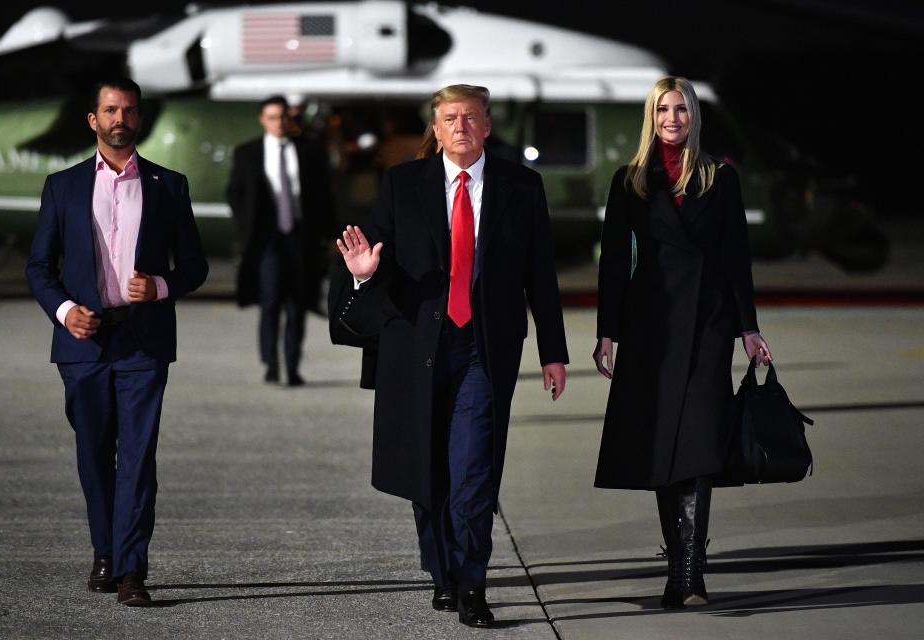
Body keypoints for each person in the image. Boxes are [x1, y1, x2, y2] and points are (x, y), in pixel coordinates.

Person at [334, 84, 569, 627]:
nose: (459, 126)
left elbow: (542, 276)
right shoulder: (401, 185)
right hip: (418, 348)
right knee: (428, 468)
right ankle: (441, 572)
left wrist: (553, 352)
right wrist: (365, 274)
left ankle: (471, 584)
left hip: (483, 348)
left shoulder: (521, 187)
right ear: (435, 129)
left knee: (473, 470)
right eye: (448, 118)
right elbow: (375, 261)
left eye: (470, 117)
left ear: (487, 126)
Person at [25, 78, 208, 606]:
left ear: (140, 119)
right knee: (93, 453)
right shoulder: (62, 186)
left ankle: (131, 570)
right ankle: (103, 552)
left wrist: (161, 286)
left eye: (129, 110)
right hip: (82, 342)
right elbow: (39, 266)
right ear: (93, 120)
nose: (120, 118)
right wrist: (64, 313)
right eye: (110, 110)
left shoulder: (168, 185)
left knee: (138, 457)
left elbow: (195, 265)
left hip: (143, 341)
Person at [592, 76, 772, 609]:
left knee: (694, 444)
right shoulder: (630, 181)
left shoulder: (721, 179)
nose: (673, 118)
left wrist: (748, 327)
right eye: (664, 109)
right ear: (652, 117)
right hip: (650, 325)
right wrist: (608, 331)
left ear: (695, 117)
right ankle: (679, 563)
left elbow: (737, 258)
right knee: (658, 447)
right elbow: (613, 264)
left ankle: (690, 575)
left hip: (709, 323)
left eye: (682, 110)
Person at [226, 95, 337, 385]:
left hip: (301, 236)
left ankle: (293, 364)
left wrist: (329, 234)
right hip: (268, 238)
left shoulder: (310, 151)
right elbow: (235, 193)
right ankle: (271, 363)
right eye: (272, 117)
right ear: (263, 120)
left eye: (283, 117)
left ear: (291, 119)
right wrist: (246, 226)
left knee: (298, 303)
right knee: (271, 300)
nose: (278, 123)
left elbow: (324, 195)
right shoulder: (248, 152)